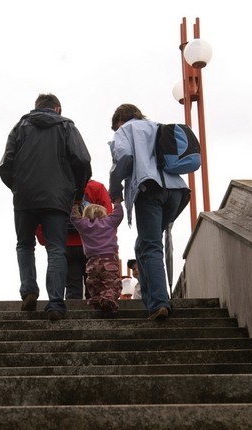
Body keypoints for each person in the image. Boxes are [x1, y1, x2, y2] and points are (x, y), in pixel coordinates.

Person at [0, 93, 92, 319]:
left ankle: (29, 290)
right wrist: (77, 194)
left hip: (24, 198)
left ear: (36, 107)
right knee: (56, 249)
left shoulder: (20, 127)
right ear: (57, 108)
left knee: (24, 245)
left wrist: (18, 187)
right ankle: (56, 304)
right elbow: (83, 161)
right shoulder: (67, 127)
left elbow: (5, 165)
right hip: (57, 199)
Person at [109, 104, 190, 320]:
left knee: (151, 245)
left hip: (149, 190)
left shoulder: (124, 130)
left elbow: (124, 157)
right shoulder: (157, 127)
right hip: (177, 192)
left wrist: (115, 191)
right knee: (143, 245)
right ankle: (150, 298)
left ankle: (158, 303)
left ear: (119, 121)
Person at [36, 179, 113, 299]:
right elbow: (108, 216)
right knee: (95, 285)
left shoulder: (57, 187)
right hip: (93, 246)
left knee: (72, 286)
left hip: (66, 243)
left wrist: (44, 239)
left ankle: (72, 312)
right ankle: (96, 312)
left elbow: (44, 214)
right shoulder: (96, 187)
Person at [70, 201, 123, 316]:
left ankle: (98, 302)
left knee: (95, 286)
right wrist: (117, 201)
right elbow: (119, 214)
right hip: (109, 261)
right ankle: (108, 300)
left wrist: (74, 205)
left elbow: (73, 218)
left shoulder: (84, 226)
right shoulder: (109, 222)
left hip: (91, 263)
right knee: (112, 284)